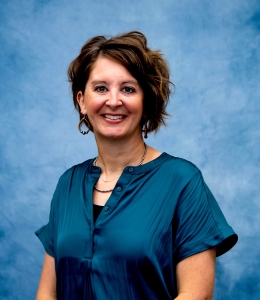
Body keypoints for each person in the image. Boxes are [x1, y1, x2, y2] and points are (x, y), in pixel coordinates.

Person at [35, 31, 238, 300]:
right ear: (82, 101)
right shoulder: (68, 184)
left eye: (128, 89)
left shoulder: (182, 181)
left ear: (146, 101)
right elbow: (47, 294)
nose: (114, 100)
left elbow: (195, 295)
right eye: (101, 88)